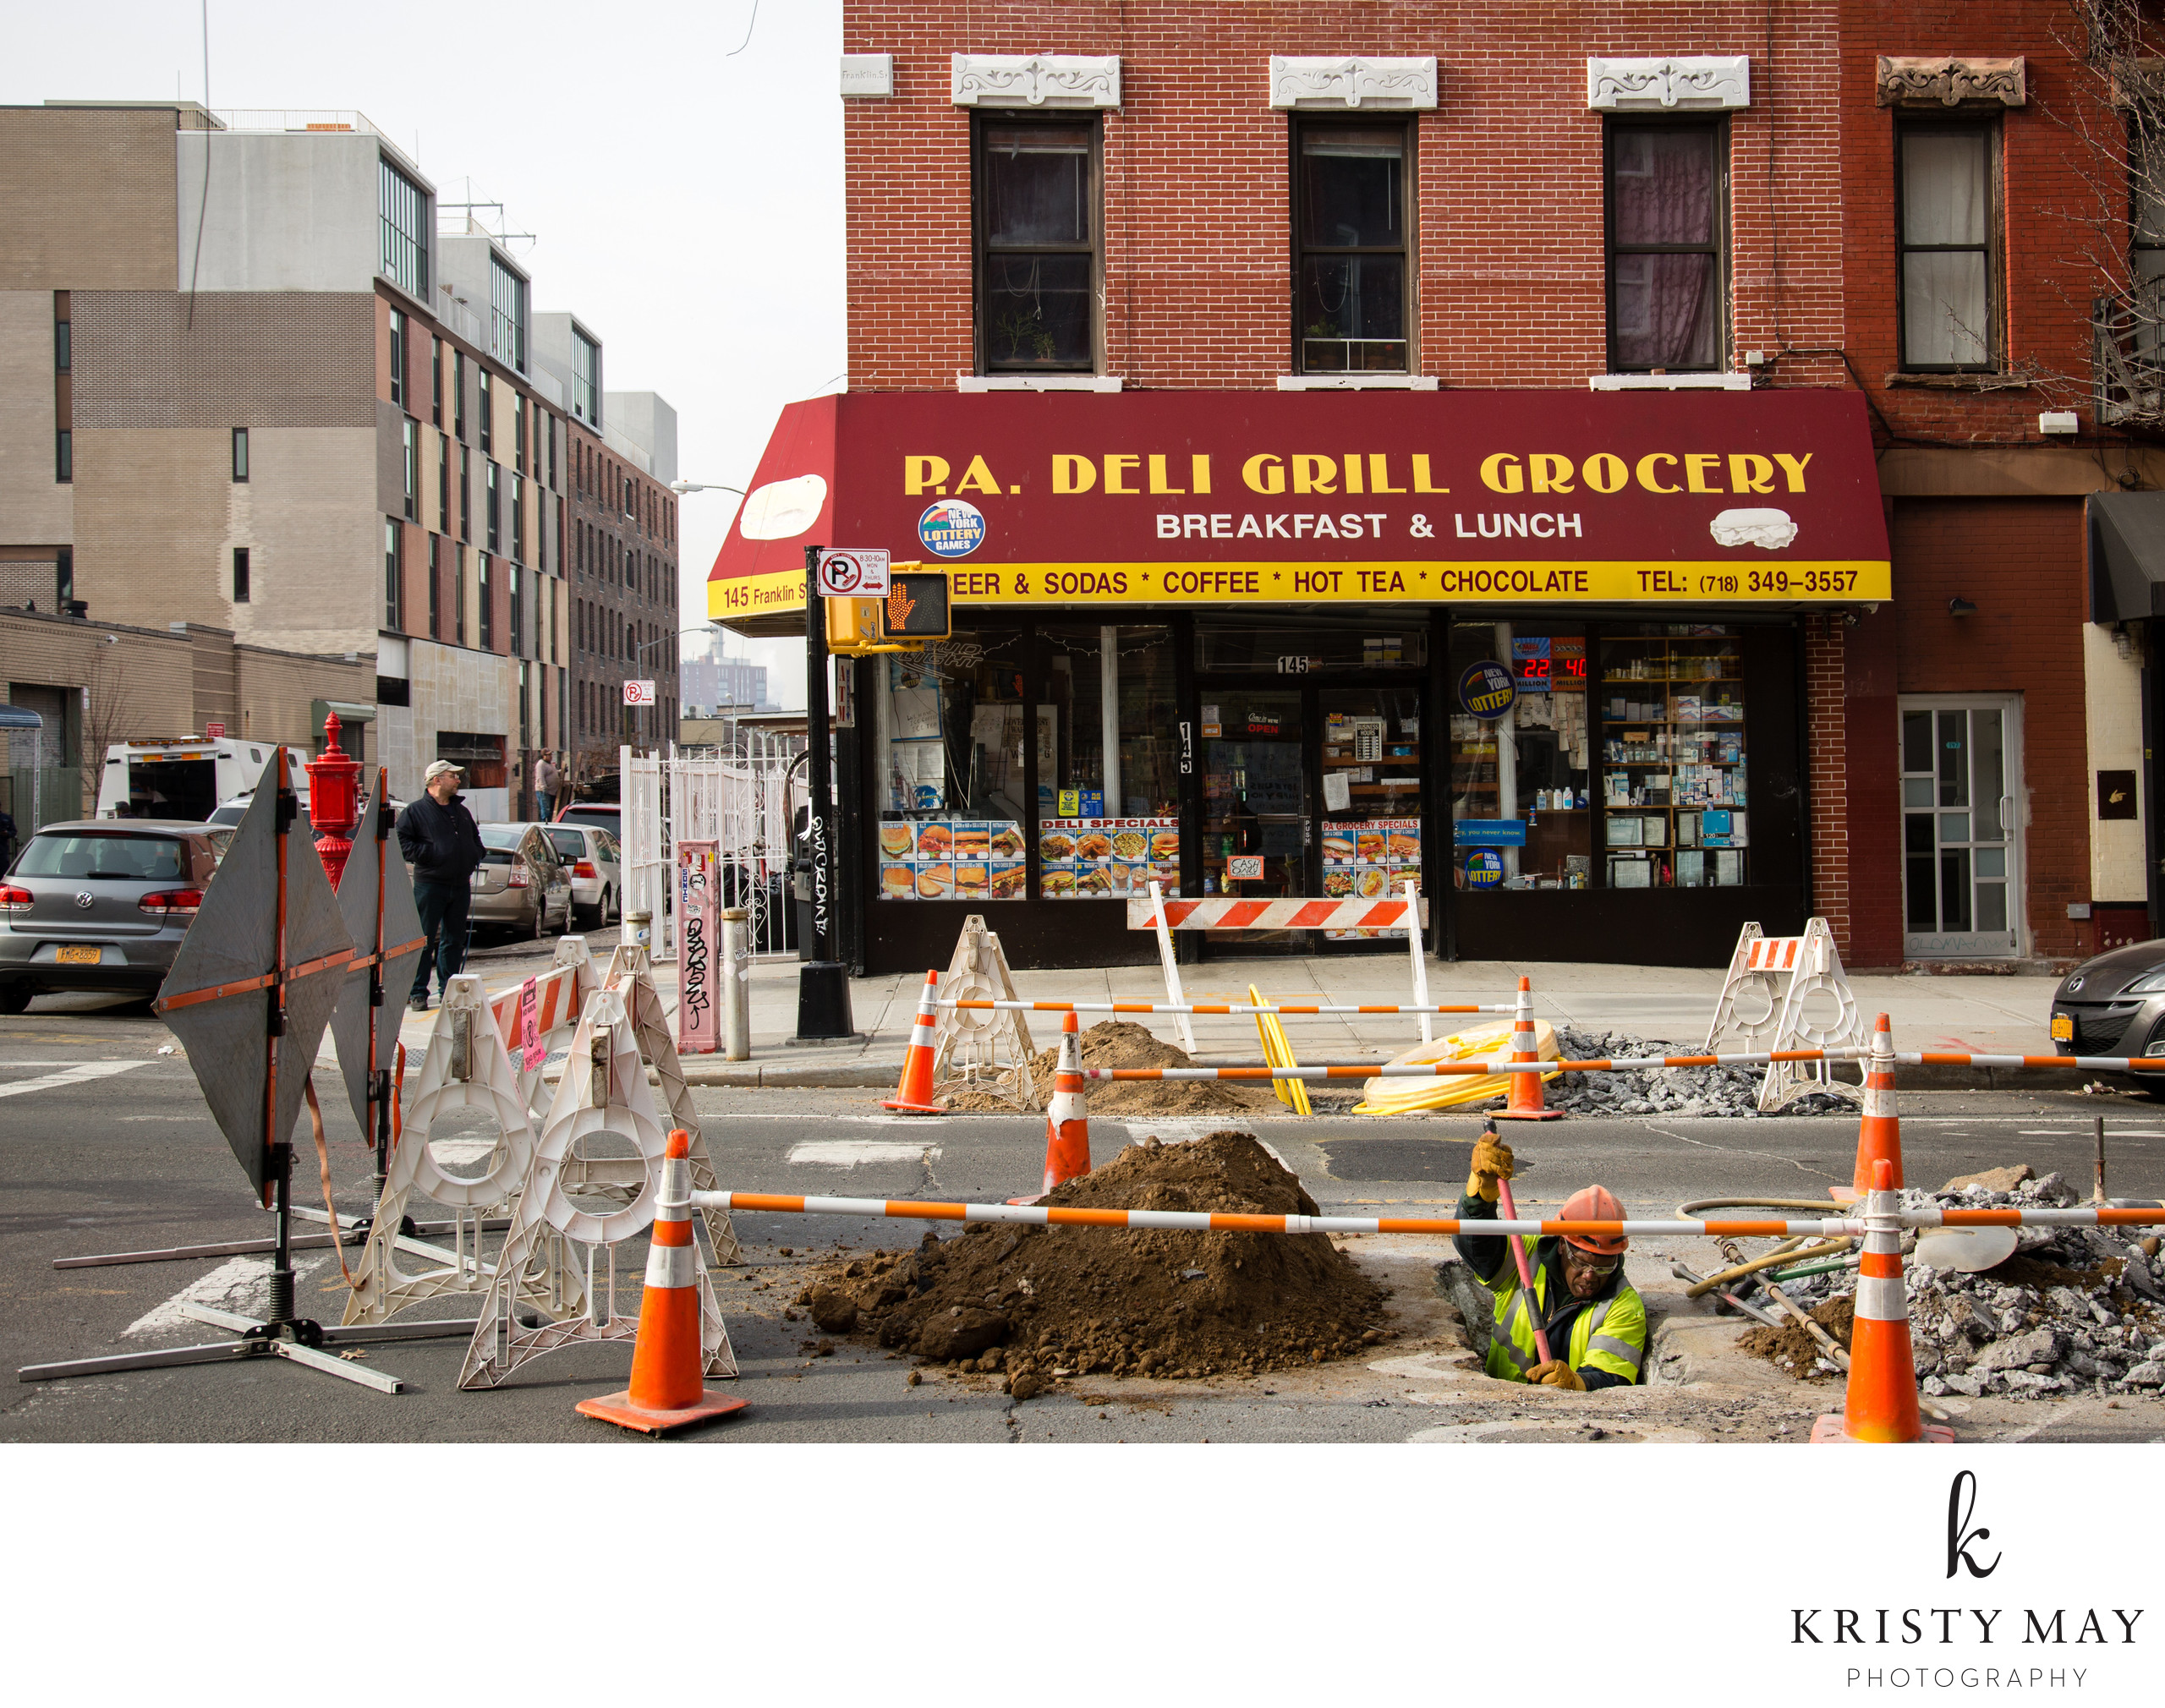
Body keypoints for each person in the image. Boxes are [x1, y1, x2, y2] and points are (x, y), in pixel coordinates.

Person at [1451, 1125, 1647, 1390]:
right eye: (1581, 1262)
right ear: (1562, 1245)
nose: (1590, 1276)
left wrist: (1576, 1382)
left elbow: (1612, 1376)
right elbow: (1475, 1245)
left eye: (1603, 1267)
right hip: (1500, 1398)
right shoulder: (1526, 1256)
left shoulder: (1623, 1305)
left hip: (1567, 1410)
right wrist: (1480, 1196)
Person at [397, 758, 486, 1012]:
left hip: (460, 885)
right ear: (437, 780)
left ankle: (449, 989)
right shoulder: (415, 811)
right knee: (423, 940)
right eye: (452, 776)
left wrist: (476, 854)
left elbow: (475, 839)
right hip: (430, 884)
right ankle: (418, 992)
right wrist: (430, 854)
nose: (458, 780)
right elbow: (401, 842)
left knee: (454, 940)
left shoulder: (462, 812)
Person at [533, 750, 560, 823]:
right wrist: (544, 788)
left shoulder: (549, 764)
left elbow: (553, 773)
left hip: (551, 791)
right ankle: (544, 823)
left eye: (551, 755)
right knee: (545, 810)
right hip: (544, 791)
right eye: (549, 755)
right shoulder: (541, 764)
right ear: (544, 756)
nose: (551, 756)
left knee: (550, 810)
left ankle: (549, 822)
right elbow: (540, 777)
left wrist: (561, 771)